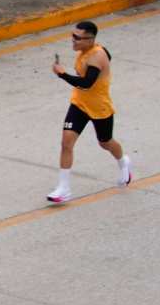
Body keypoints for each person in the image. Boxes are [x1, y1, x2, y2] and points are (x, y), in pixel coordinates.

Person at [48, 20, 133, 203]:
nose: (73, 40)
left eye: (77, 38)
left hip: (99, 107)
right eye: (73, 36)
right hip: (79, 104)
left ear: (90, 39)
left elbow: (87, 84)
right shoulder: (85, 51)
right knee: (66, 143)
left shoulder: (96, 57)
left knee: (105, 142)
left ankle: (123, 161)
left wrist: (61, 74)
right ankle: (63, 188)